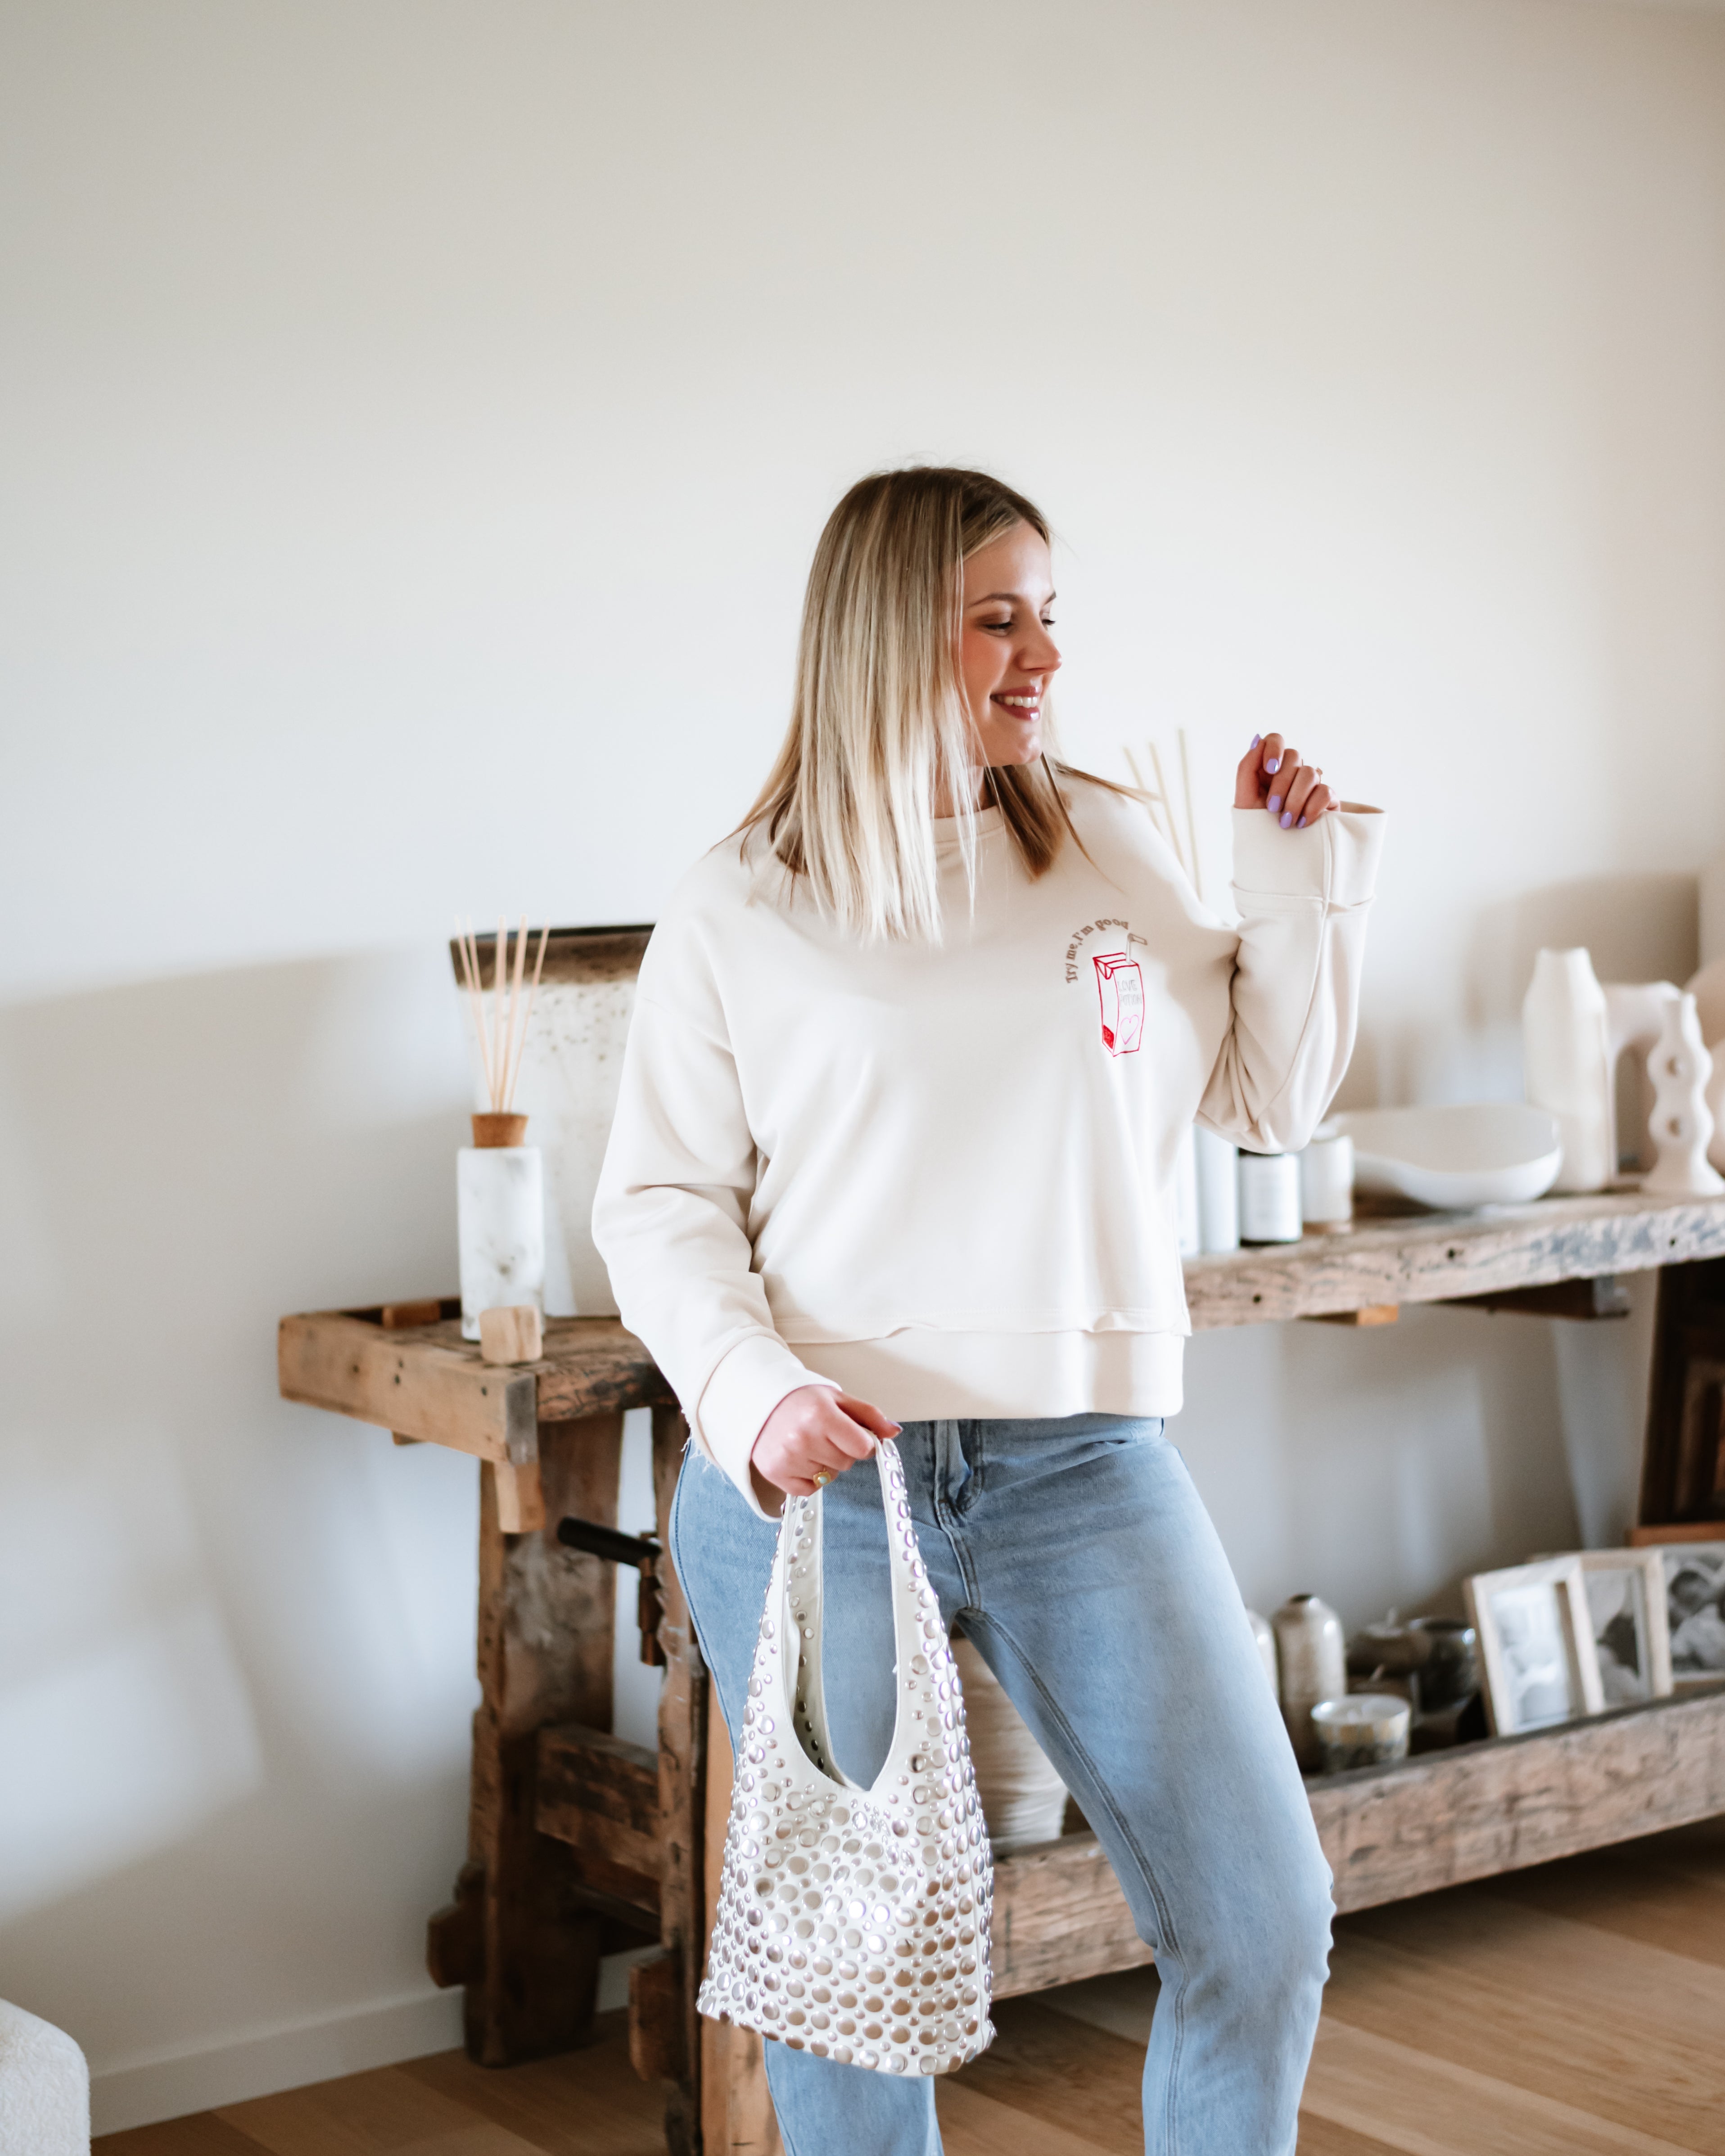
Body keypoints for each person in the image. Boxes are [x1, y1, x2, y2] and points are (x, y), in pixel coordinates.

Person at [594, 466, 1385, 2156]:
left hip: (1083, 1463)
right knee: (850, 1985)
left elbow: (1267, 1096)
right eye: (997, 619)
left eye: (1050, 617)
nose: (1044, 656)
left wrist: (1293, 877)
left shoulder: (1105, 840)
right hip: (819, 1489)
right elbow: (657, 1205)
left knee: (1262, 1922)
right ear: (890, 637)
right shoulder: (742, 898)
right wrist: (751, 1393)